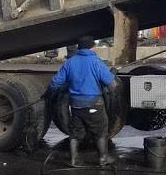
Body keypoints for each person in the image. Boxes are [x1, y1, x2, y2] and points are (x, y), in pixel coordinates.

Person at [49, 35, 118, 166]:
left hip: (76, 106)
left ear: (78, 47)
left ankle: (74, 159)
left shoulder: (70, 62)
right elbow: (111, 83)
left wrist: (48, 93)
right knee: (101, 131)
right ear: (92, 46)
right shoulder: (96, 62)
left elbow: (55, 82)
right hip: (94, 105)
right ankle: (103, 158)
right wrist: (112, 74)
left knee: (75, 133)